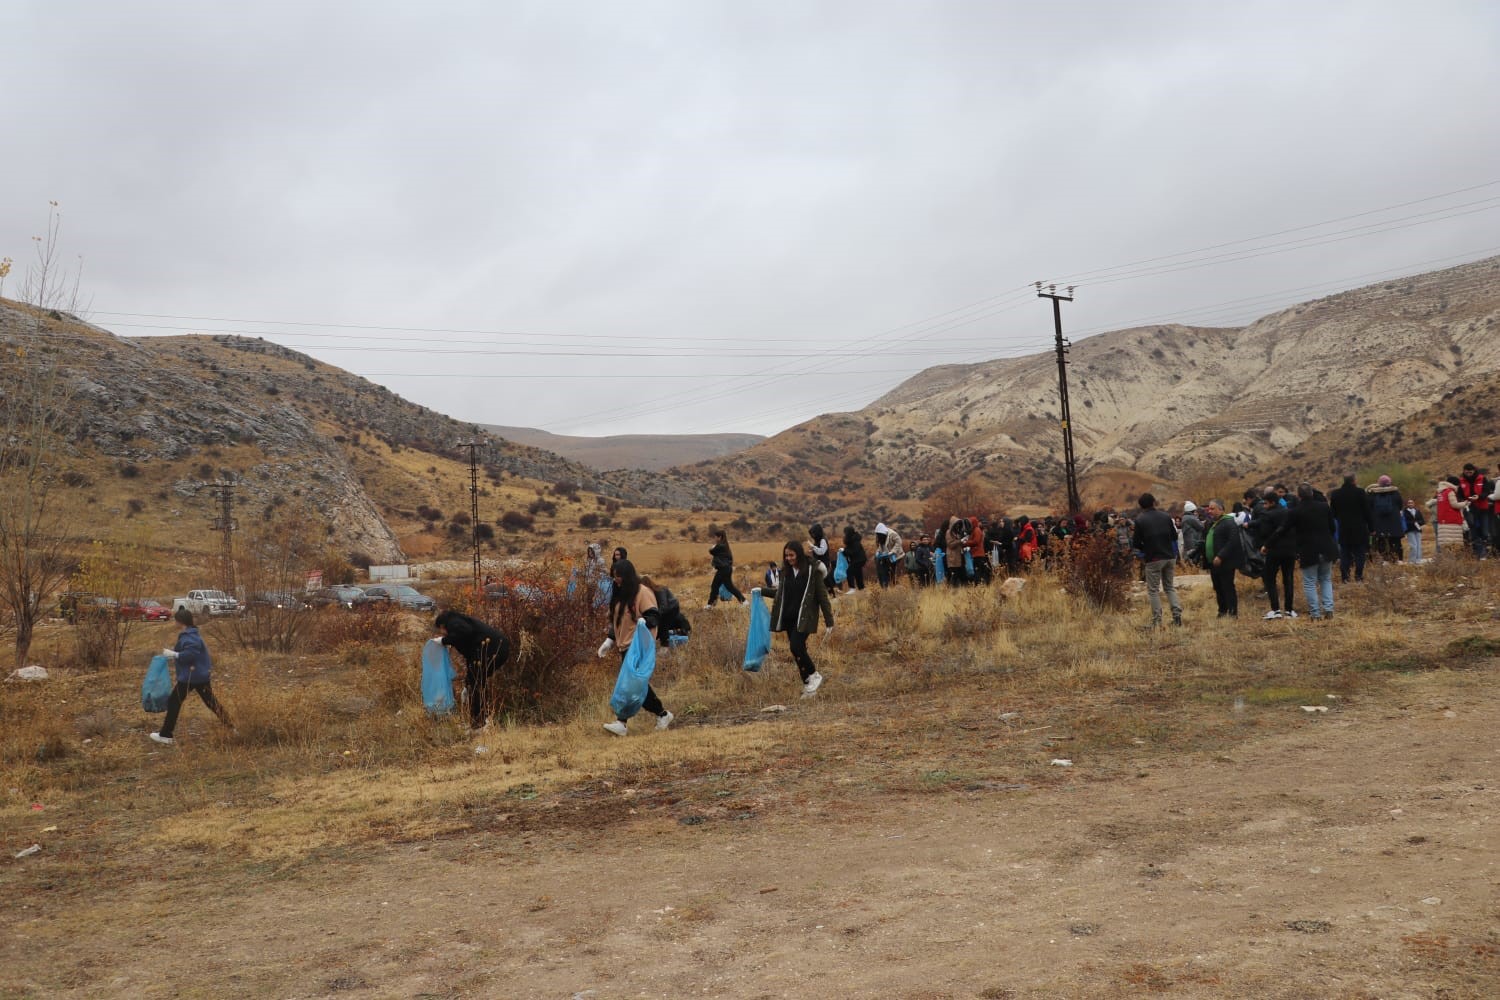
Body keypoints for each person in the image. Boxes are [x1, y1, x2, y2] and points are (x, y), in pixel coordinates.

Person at [600, 559, 673, 736]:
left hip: (638, 647)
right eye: (614, 577)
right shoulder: (620, 595)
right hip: (624, 646)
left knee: (629, 686)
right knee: (637, 686)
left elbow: (654, 616)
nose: (616, 580)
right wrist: (609, 640)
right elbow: (618, 622)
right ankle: (662, 714)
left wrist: (645, 621)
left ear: (627, 576)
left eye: (618, 577)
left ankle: (622, 722)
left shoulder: (642, 592)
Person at [150, 608, 233, 744]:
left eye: (175, 620)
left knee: (174, 701)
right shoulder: (192, 634)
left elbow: (190, 654)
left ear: (180, 621)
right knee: (211, 702)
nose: (175, 623)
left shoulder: (190, 636)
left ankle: (166, 735)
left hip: (191, 676)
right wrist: (174, 654)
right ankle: (232, 727)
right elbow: (189, 652)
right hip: (200, 675)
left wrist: (174, 654)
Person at [769, 540, 834, 698]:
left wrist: (829, 620)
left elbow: (822, 596)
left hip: (805, 618)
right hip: (789, 618)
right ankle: (808, 686)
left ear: (798, 554)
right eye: (786, 555)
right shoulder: (786, 572)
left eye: (791, 555)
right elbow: (780, 594)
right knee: (797, 650)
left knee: (796, 646)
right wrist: (760, 591)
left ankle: (814, 674)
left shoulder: (813, 571)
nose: (789, 558)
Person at [434, 609, 512, 733]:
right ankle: (482, 721)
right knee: (475, 683)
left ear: (442, 625)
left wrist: (444, 641)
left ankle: (479, 724)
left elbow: (464, 632)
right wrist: (467, 684)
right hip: (494, 650)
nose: (443, 633)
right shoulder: (460, 622)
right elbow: (471, 658)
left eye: (442, 631)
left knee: (475, 685)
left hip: (491, 650)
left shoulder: (454, 622)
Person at [1270, 483, 1339, 620]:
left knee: (1309, 582)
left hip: (1308, 550)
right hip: (1326, 548)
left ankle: (1315, 613)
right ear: (1312, 494)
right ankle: (1329, 609)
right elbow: (1332, 527)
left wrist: (1268, 544)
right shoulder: (1324, 507)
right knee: (1325, 579)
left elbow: (1283, 529)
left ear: (1298, 496)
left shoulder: (1295, 511)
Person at [1132, 493, 1181, 628]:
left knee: (1153, 590)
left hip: (1153, 558)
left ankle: (1157, 620)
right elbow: (1174, 537)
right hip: (1169, 556)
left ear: (1141, 506)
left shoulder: (1140, 520)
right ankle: (1177, 616)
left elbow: (1135, 543)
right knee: (1169, 587)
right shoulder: (1165, 516)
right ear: (1154, 502)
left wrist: (1146, 549)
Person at [1252, 488, 1297, 619]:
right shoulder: (1288, 513)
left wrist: (1265, 545)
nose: (1264, 506)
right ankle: (1289, 610)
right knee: (1288, 579)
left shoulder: (1267, 515)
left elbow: (1265, 533)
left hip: (1274, 551)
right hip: (1290, 551)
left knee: (1270, 579)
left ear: (1271, 502)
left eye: (1265, 503)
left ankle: (1275, 609)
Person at [1202, 499, 1244, 618]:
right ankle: (1222, 610)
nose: (1210, 511)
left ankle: (1232, 612)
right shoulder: (1211, 523)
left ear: (1221, 509)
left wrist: (1221, 555)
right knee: (1218, 587)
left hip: (1225, 562)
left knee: (1227, 586)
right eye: (1209, 509)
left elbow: (1233, 541)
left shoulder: (1229, 523)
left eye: (1213, 508)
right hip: (1212, 563)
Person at [1329, 474, 1373, 582]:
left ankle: (1345, 577)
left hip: (1344, 528)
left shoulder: (1335, 494)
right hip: (1359, 528)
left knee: (1344, 554)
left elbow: (1332, 513)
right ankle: (1358, 576)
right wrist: (1372, 527)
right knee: (1360, 554)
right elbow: (1367, 511)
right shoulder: (1360, 492)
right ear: (1354, 481)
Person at [641, 574, 691, 647]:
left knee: (663, 627)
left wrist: (655, 616)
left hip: (671, 609)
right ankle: (666, 642)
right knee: (662, 627)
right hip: (667, 611)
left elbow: (664, 606)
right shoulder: (653, 592)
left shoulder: (660, 590)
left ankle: (665, 645)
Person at [704, 530, 746, 609]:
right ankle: (744, 601)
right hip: (726, 569)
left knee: (714, 586)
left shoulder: (721, 546)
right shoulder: (725, 545)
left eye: (715, 537)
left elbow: (711, 551)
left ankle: (710, 604)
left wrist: (713, 546)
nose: (714, 539)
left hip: (723, 569)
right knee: (729, 587)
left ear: (720, 537)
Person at [1366, 474, 1405, 563]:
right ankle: (1398, 559)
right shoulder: (1395, 493)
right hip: (1394, 523)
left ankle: (1385, 560)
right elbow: (1400, 506)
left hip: (1379, 523)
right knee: (1395, 541)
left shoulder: (1372, 494)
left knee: (1381, 541)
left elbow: (1368, 507)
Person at [1459, 463, 1491, 557]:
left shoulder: (1482, 478)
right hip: (1469, 509)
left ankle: (1486, 550)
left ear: (1474, 470)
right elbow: (1459, 495)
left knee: (1484, 532)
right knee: (1473, 531)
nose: (1468, 472)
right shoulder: (1461, 481)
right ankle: (1478, 554)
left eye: (1470, 471)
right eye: (1466, 471)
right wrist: (1463, 501)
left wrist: (1479, 496)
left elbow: (1487, 491)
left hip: (1482, 508)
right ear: (1464, 471)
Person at [1431, 476, 1467, 557]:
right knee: (1453, 545)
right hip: (1452, 521)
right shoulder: (1450, 492)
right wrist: (1465, 503)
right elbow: (1454, 505)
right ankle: (1452, 563)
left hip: (1442, 521)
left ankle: (1444, 561)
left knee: (1445, 544)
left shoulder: (1440, 492)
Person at [873, 522, 904, 588]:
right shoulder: (881, 537)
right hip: (886, 555)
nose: (878, 536)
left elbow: (899, 542)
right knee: (884, 570)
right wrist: (878, 552)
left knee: (892, 569)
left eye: (879, 534)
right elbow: (881, 546)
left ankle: (893, 583)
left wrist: (892, 551)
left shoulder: (892, 534)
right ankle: (886, 585)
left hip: (896, 556)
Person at [841, 525, 868, 592]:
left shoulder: (855, 541)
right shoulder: (852, 539)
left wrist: (844, 551)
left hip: (859, 560)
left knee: (849, 571)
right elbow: (849, 550)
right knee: (858, 573)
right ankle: (862, 588)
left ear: (848, 533)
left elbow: (852, 551)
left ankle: (852, 588)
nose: (844, 535)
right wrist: (844, 551)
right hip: (858, 560)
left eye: (845, 533)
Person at [1179, 501, 1205, 567]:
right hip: (1193, 540)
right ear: (1192, 510)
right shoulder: (1191, 518)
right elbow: (1201, 527)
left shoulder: (1185, 517)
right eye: (1194, 511)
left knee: (1187, 556)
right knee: (1192, 557)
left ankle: (1188, 568)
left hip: (1187, 540)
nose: (1195, 513)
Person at [1402, 496, 1426, 564]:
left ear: (1414, 503)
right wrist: (1413, 523)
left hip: (1418, 530)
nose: (1410, 504)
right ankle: (1412, 560)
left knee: (1419, 545)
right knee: (1413, 545)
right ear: (1407, 504)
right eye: (1409, 503)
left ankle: (1418, 560)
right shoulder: (1404, 512)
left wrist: (1418, 523)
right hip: (1410, 530)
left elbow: (1422, 521)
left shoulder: (1417, 511)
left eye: (1411, 503)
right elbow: (1404, 522)